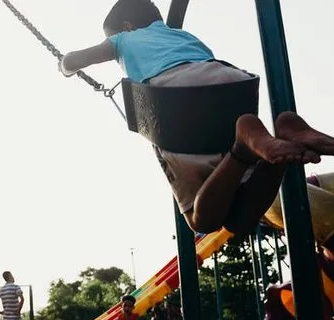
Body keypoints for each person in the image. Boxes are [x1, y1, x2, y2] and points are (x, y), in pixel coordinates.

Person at [58, 0, 334, 240]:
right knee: (239, 220)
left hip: (179, 102)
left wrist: (64, 65)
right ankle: (283, 133)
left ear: (127, 26)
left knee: (201, 220)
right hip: (233, 87)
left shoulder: (123, 39)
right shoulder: (178, 34)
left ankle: (242, 145)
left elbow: (76, 60)